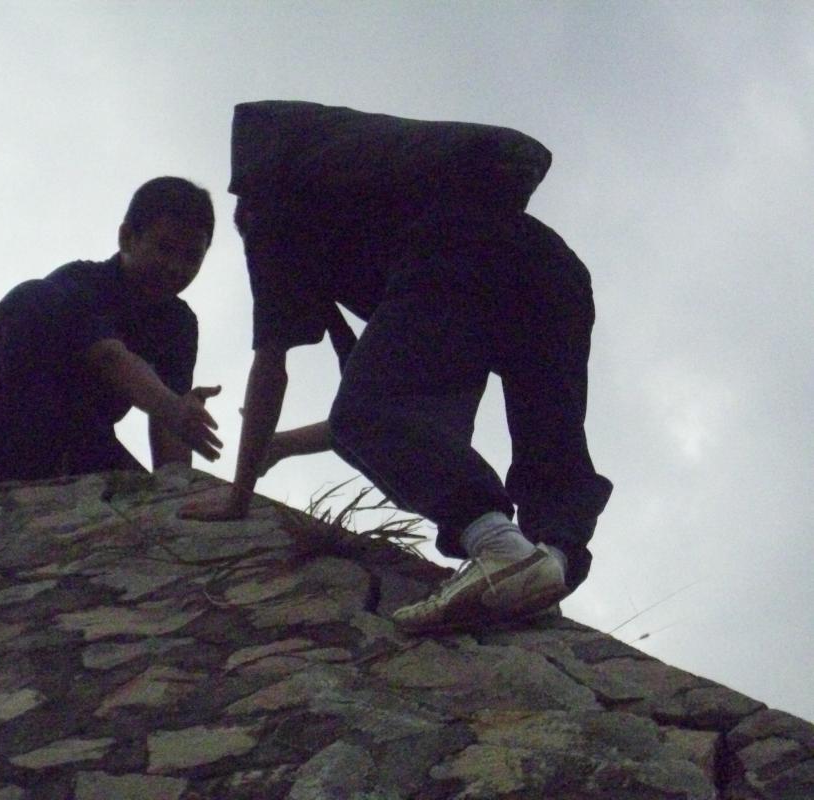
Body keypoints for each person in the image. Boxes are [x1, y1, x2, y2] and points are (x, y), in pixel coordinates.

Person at [180, 183, 613, 633]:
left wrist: (239, 495)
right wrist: (281, 446)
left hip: (460, 255)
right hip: (555, 270)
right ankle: (545, 569)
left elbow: (275, 368)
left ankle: (500, 546)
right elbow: (399, 424)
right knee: (550, 441)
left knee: (365, 415)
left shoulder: (271, 220)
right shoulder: (378, 226)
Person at [0, 176, 222, 487]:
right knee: (34, 296)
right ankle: (2, 481)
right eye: (164, 248)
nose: (176, 267)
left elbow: (172, 427)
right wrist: (173, 408)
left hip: (76, 429)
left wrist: (177, 488)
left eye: (192, 257)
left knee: (139, 496)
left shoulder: (179, 325)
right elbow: (110, 358)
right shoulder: (80, 283)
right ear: (127, 238)